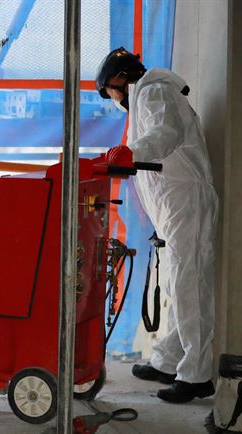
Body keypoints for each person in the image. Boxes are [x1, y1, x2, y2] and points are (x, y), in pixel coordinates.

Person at [96, 47, 218, 403]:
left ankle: (196, 375)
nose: (115, 100)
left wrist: (132, 152)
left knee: (188, 284)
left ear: (119, 79)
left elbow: (166, 133)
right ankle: (169, 358)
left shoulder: (152, 89)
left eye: (111, 92)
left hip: (184, 199)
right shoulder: (147, 93)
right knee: (176, 283)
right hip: (174, 203)